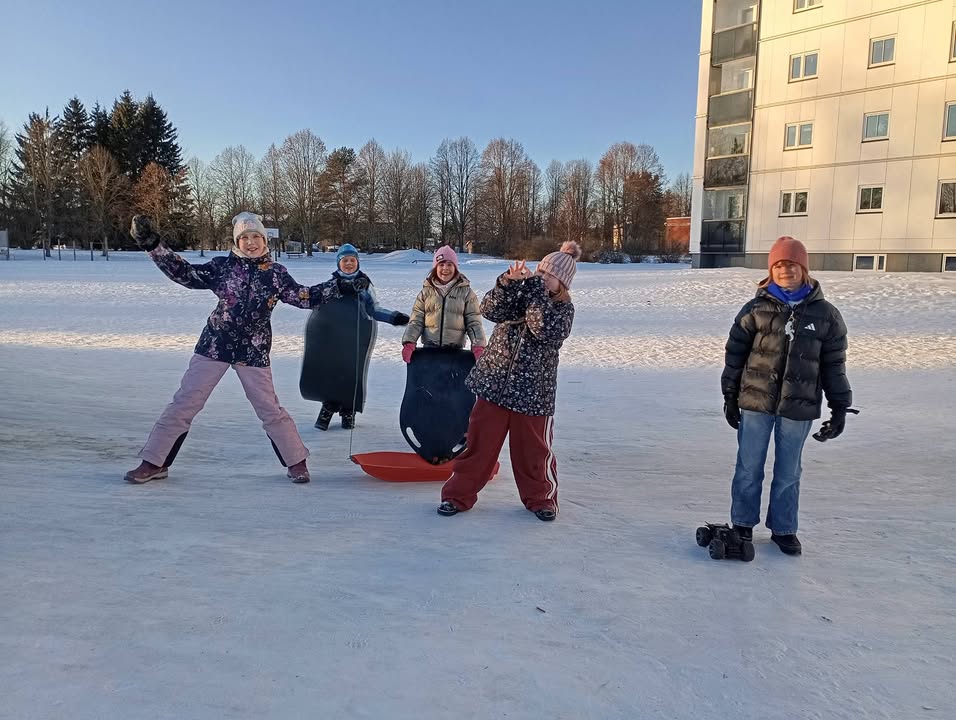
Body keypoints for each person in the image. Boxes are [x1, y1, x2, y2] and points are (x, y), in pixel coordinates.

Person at [124, 212, 340, 485]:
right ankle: (154, 462)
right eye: (244, 237)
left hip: (253, 351)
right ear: (237, 241)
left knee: (269, 409)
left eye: (256, 237)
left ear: (265, 240)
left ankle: (297, 462)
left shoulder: (276, 274)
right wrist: (153, 245)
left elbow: (304, 297)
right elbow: (185, 273)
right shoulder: (222, 267)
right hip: (214, 345)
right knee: (185, 402)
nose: (251, 242)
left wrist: (340, 285)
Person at [721, 236, 854, 555]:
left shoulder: (826, 315)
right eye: (779, 265)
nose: (785, 270)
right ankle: (742, 522)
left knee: (788, 470)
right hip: (755, 401)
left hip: (799, 404)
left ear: (803, 269)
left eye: (792, 265)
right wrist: (729, 395)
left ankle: (783, 528)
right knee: (748, 465)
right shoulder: (755, 309)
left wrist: (839, 407)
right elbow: (735, 354)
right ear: (771, 270)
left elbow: (834, 365)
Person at [438, 241, 581, 521]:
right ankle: (457, 495)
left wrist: (533, 294)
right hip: (494, 384)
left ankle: (541, 499)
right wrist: (507, 283)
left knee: (533, 452)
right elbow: (489, 309)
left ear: (562, 284)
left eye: (549, 276)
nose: (541, 278)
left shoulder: (563, 311)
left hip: (532, 394)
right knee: (478, 447)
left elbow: (542, 328)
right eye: (540, 271)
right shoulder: (522, 293)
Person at [313, 244, 409, 430]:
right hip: (334, 339)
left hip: (356, 338)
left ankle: (349, 412)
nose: (349, 264)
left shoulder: (365, 285)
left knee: (353, 375)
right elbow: (317, 303)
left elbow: (374, 309)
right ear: (338, 263)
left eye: (352, 260)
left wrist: (394, 317)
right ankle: (327, 408)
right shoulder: (330, 284)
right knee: (332, 374)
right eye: (345, 260)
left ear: (357, 262)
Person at [401, 245, 486, 362]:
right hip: (429, 350)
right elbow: (416, 320)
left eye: (450, 264)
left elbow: (474, 322)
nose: (445, 268)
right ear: (435, 268)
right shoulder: (426, 292)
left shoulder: (466, 293)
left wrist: (478, 346)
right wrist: (409, 342)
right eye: (441, 264)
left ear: (455, 267)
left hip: (455, 352)